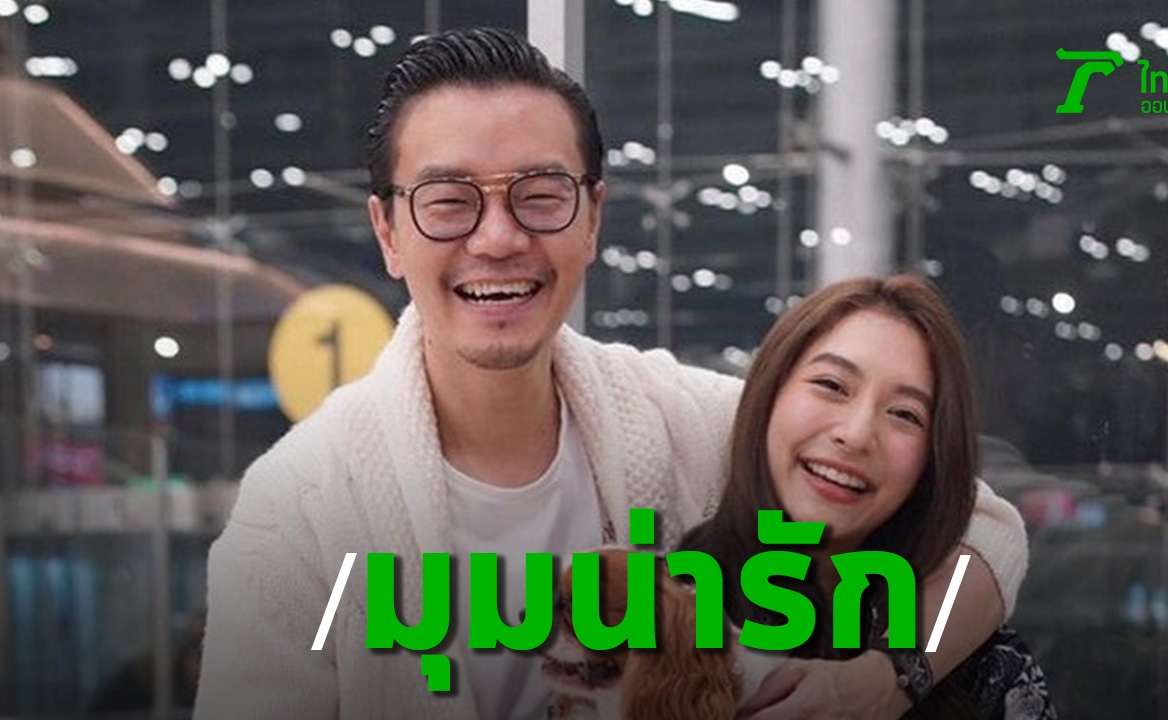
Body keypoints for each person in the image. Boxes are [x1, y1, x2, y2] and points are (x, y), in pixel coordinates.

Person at [193, 27, 1028, 720]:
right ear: (388, 232)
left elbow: (988, 528)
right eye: (449, 201)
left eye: (540, 195)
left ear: (592, 216)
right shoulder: (299, 511)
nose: (498, 238)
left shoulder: (675, 420)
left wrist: (887, 675)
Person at [681, 274, 1055, 719]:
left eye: (905, 414)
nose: (857, 435)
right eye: (832, 385)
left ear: (932, 458)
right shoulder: (654, 613)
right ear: (769, 393)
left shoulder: (978, 661)